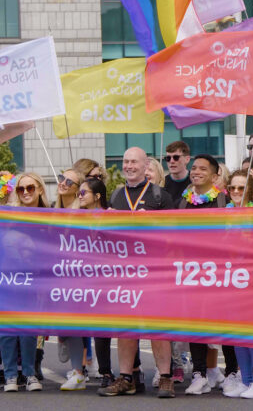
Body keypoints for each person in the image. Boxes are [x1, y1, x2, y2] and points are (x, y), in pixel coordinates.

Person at [99, 147, 176, 398]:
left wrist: (153, 222)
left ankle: (165, 377)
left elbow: (177, 234)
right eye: (125, 161)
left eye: (134, 162)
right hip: (125, 272)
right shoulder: (117, 195)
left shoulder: (160, 196)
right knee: (126, 327)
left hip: (155, 271)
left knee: (158, 327)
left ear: (146, 166)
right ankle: (126, 378)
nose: (129, 165)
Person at [176, 154, 233, 395]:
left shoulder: (223, 200)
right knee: (196, 323)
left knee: (227, 322)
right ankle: (198, 374)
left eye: (202, 168)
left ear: (214, 174)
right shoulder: (183, 202)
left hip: (221, 272)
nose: (196, 171)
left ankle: (232, 373)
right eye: (194, 168)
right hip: (192, 271)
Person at [0, 172, 47, 392]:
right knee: (7, 327)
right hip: (8, 278)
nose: (25, 192)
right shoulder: (10, 215)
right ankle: (10, 376)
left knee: (29, 328)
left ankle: (29, 374)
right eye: (20, 189)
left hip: (36, 278)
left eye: (30, 188)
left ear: (40, 189)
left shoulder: (52, 215)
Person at [57, 177, 110, 391]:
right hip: (78, 279)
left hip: (104, 281)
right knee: (74, 324)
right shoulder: (74, 218)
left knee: (102, 329)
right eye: (78, 193)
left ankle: (107, 372)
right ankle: (78, 372)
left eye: (83, 193)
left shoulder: (111, 216)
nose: (79, 196)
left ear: (97, 196)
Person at [221, 169, 253, 399]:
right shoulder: (224, 214)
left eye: (242, 187)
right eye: (233, 188)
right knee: (238, 333)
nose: (237, 191)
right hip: (232, 278)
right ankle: (246, 380)